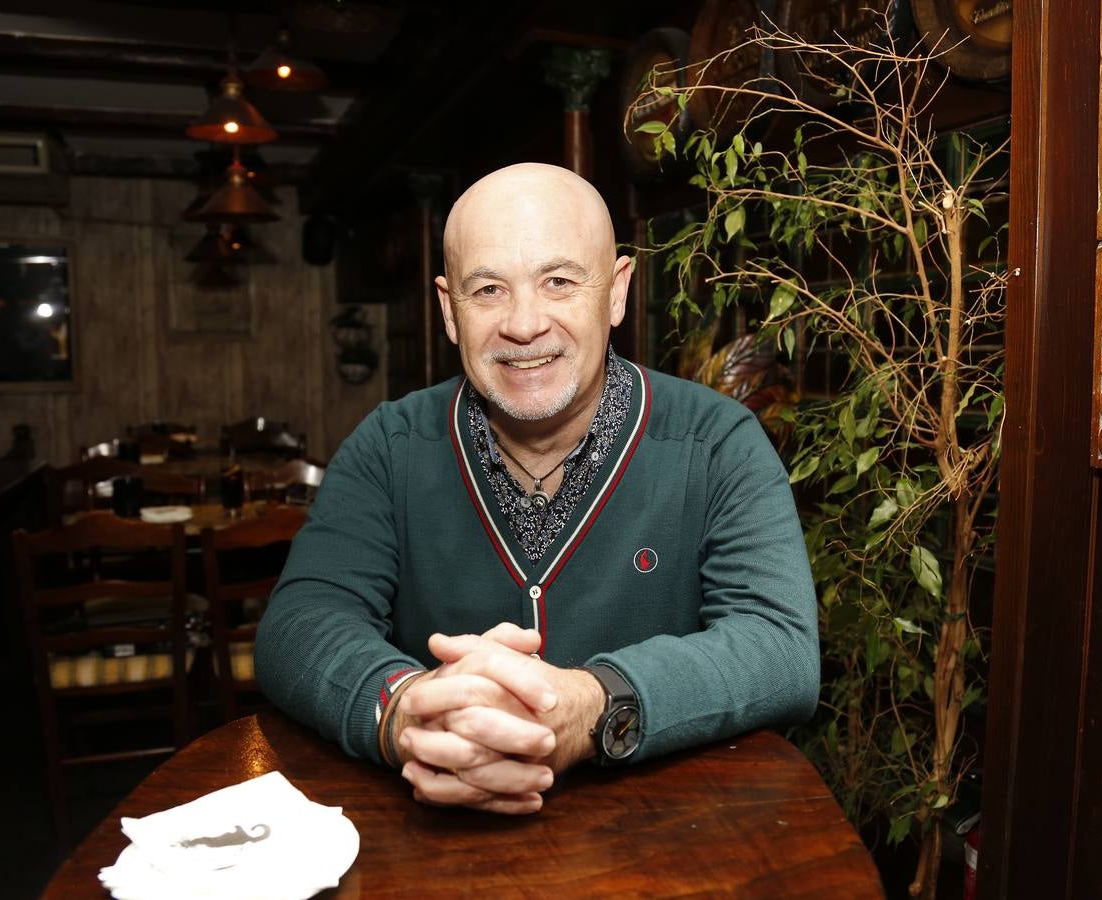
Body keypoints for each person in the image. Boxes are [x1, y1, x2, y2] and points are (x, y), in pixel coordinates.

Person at [255, 162, 818, 814]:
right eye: (488, 289)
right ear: (447, 310)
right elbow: (297, 626)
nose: (524, 324)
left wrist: (588, 709)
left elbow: (779, 648)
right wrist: (407, 712)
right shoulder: (390, 447)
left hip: (670, 842)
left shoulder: (716, 442)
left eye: (558, 281)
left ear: (616, 291)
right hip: (435, 845)